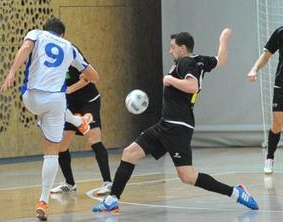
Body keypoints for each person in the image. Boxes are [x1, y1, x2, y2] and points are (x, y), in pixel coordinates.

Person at [92, 28, 259, 213]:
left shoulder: (185, 62)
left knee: (187, 176)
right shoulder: (200, 61)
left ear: (182, 48)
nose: (170, 51)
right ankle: (112, 199)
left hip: (177, 127)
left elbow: (193, 86)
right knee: (130, 152)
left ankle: (236, 193)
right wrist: (223, 39)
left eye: (173, 47)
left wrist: (170, 79)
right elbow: (222, 60)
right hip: (166, 124)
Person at [1, 17, 99, 221]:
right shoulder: (70, 47)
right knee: (51, 153)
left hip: (31, 97)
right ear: (62, 34)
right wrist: (85, 79)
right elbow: (93, 76)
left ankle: (75, 121)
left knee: (49, 112)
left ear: (46, 29)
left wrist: (12, 71)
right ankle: (43, 200)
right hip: (56, 101)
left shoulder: (36, 34)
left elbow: (26, 47)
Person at [51, 47, 112, 196]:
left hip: (88, 101)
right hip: (69, 105)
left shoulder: (71, 53)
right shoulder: (49, 60)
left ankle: (108, 183)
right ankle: (69, 184)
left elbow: (89, 77)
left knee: (93, 139)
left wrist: (70, 89)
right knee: (61, 144)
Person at [247, 26, 283, 174]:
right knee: (277, 123)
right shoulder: (280, 32)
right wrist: (254, 69)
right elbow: (266, 55)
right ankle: (269, 158)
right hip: (281, 84)